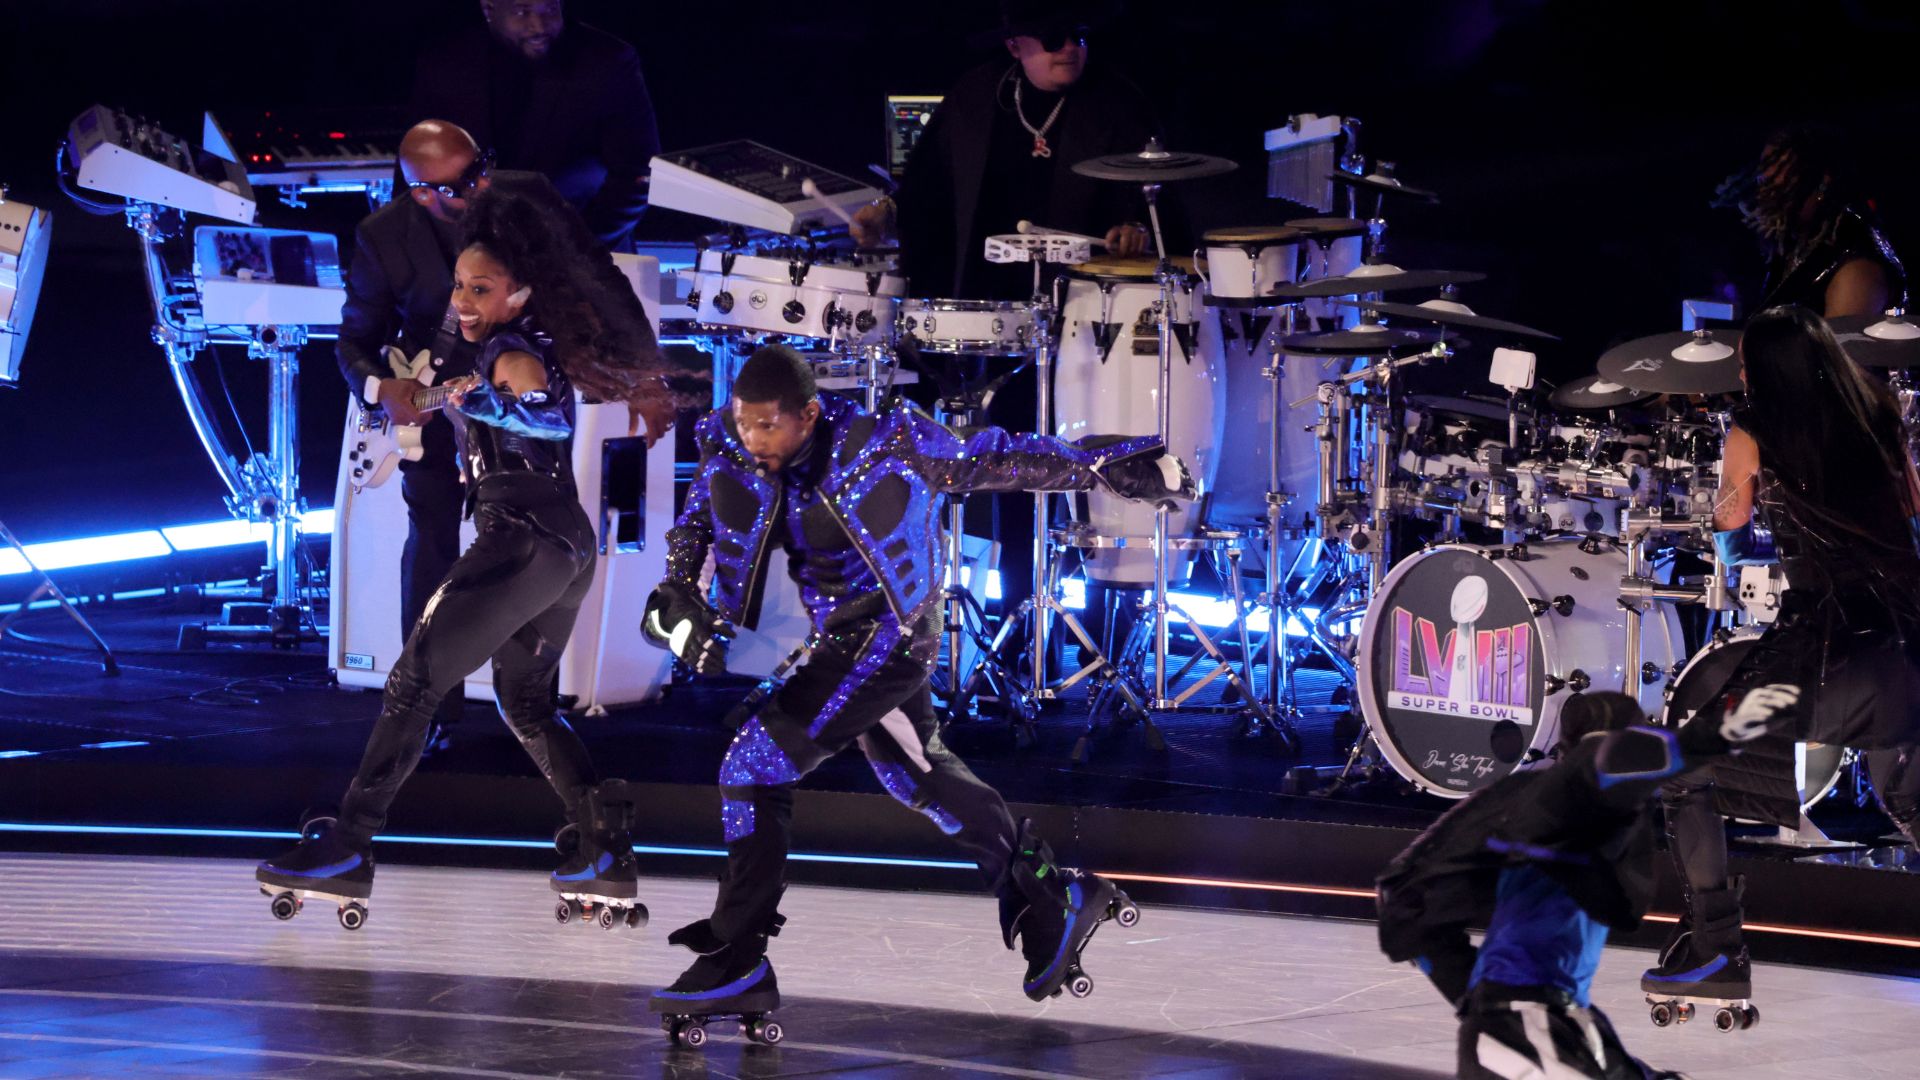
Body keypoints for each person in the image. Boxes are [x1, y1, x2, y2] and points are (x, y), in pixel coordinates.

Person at [640, 344, 1191, 1018]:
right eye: (745, 422)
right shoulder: (732, 444)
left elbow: (995, 456)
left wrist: (1105, 464)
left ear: (808, 414)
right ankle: (1054, 896)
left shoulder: (885, 443)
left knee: (755, 764)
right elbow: (697, 519)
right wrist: (677, 592)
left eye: (768, 426)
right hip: (836, 638)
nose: (753, 438)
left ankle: (737, 957)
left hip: (893, 637)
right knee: (915, 771)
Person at [260, 190, 670, 917]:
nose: (465, 299)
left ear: (520, 293)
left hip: (524, 536)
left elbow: (543, 418)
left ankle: (351, 842)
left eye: (482, 288)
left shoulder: (514, 355)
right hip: (563, 543)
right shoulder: (493, 350)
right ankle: (604, 847)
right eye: (459, 285)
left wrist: (479, 402)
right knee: (527, 704)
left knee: (416, 680)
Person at [335, 119, 674, 748]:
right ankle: (427, 707)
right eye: (461, 183)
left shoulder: (527, 195)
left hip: (520, 381)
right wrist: (384, 389)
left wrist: (646, 377)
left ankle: (533, 704)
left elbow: (601, 279)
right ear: (420, 192)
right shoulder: (383, 237)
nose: (480, 185)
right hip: (433, 395)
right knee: (433, 536)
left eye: (481, 165)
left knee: (543, 535)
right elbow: (353, 339)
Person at [850, 1, 1162, 660]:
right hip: (986, 314)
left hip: (1084, 317)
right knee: (991, 473)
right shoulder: (975, 96)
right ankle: (1002, 633)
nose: (1069, 49)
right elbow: (927, 186)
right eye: (1052, 39)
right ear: (1016, 43)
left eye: (1079, 35)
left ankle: (1097, 633)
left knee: (1076, 471)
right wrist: (883, 212)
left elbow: (1152, 191)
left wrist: (1132, 226)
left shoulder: (1118, 100)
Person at [1640, 305, 1920, 1009]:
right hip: (1909, 639)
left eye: (1744, 361)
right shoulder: (1880, 413)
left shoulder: (1755, 429)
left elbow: (1731, 526)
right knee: (1907, 794)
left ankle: (1715, 947)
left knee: (1683, 765)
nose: (1738, 370)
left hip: (1830, 649)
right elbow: (1912, 507)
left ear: (1766, 370)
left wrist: (1738, 528)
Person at [1378, 690, 1798, 1078]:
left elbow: (1402, 901)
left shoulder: (1536, 807)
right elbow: (1604, 759)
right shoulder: (1578, 786)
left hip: (1539, 1022)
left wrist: (1480, 1003)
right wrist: (1722, 732)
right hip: (1528, 1027)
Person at [412, 0, 660, 251]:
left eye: (551, 10)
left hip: (585, 250)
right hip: (471, 252)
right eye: (523, 12)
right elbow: (414, 169)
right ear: (489, 9)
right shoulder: (446, 65)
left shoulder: (608, 62)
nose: (539, 26)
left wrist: (577, 251)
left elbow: (638, 173)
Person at [1716, 127, 1907, 318]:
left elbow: (1841, 345)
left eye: (1780, 169)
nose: (1764, 182)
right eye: (1765, 168)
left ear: (1822, 181)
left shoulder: (1856, 265)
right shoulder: (1796, 246)